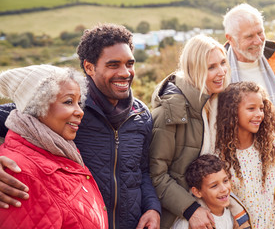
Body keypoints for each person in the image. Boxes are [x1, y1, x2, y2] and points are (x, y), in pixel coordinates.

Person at [0, 24, 161, 229]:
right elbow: (22, 123)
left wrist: (152, 208)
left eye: (130, 63)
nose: (125, 72)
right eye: (113, 65)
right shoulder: (61, 110)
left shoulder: (141, 115)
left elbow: (141, 171)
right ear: (89, 67)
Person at [150, 34, 250, 229]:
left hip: (217, 209)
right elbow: (156, 175)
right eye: (211, 67)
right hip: (181, 216)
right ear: (194, 70)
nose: (221, 71)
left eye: (223, 63)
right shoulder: (169, 112)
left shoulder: (218, 103)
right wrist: (191, 210)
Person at [0, 65, 108, 228]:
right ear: (37, 107)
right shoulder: (19, 173)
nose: (80, 111)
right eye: (68, 101)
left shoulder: (61, 150)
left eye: (79, 102)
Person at [222, 3, 275, 176]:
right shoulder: (219, 71)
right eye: (249, 36)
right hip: (243, 172)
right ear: (230, 39)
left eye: (260, 32)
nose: (258, 41)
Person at [216, 81, 275, 228]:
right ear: (232, 111)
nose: (259, 115)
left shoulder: (270, 146)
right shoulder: (221, 155)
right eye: (251, 108)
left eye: (261, 108)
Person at [172, 154, 241, 229]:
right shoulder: (189, 223)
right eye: (214, 186)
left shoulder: (232, 215)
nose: (224, 189)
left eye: (225, 181)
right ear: (197, 192)